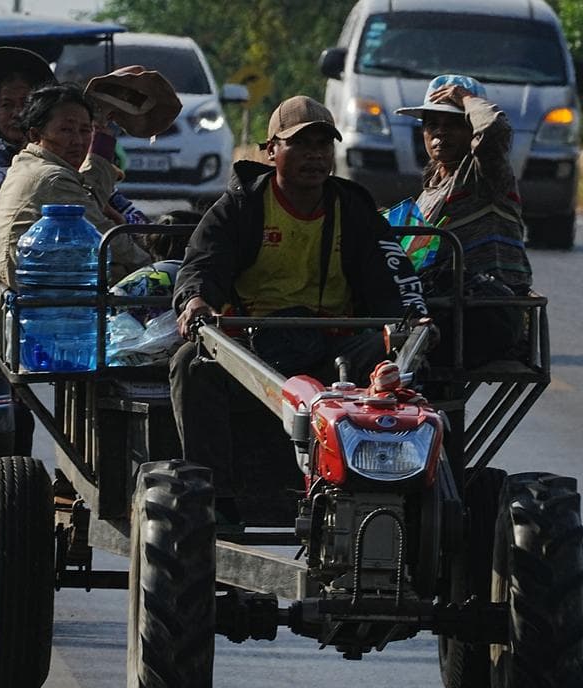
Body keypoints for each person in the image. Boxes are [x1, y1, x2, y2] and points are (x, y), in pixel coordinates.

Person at [169, 95, 429, 518]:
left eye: (323, 145)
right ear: (271, 150)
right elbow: (201, 265)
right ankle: (213, 499)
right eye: (301, 144)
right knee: (191, 365)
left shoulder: (355, 207)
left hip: (336, 351)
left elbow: (392, 275)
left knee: (407, 365)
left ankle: (408, 498)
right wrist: (195, 299)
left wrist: (414, 319)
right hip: (257, 353)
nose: (314, 155)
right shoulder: (241, 206)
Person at [0, 49, 148, 271]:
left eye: (25, 103)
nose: (17, 113)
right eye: (7, 105)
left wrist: (148, 235)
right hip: (27, 279)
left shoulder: (68, 159)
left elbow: (119, 208)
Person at [395, 74, 531, 367]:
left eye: (454, 124)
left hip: (488, 308)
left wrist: (466, 99)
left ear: (471, 130)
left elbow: (494, 130)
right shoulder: (432, 185)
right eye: (433, 124)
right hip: (443, 305)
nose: (440, 133)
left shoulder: (485, 173)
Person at [0, 83, 152, 312]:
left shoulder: (29, 164)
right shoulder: (52, 177)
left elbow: (89, 196)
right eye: (66, 130)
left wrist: (103, 138)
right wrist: (152, 265)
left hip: (27, 297)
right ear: (35, 134)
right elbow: (107, 238)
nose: (78, 141)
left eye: (84, 130)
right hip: (45, 307)